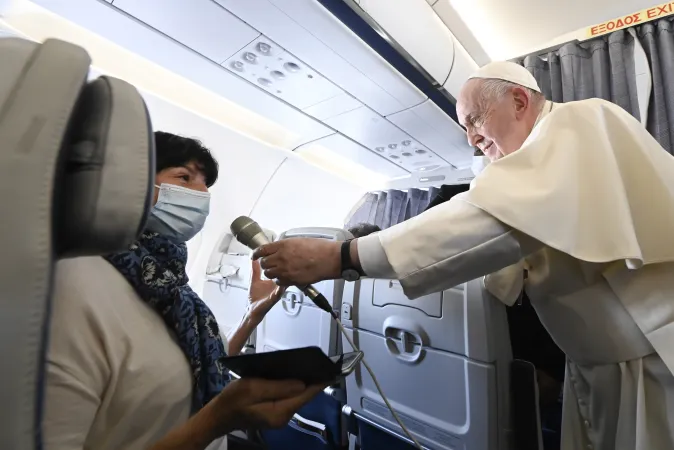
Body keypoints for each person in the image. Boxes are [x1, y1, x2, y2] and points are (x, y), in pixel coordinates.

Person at [253, 62, 674, 450]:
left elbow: (491, 221)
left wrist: (343, 257)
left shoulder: (581, 122)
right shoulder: (531, 175)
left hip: (648, 357)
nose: (471, 139)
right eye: (465, 129)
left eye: (474, 120)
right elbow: (500, 257)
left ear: (519, 101)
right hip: (595, 366)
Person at [44, 131, 326, 450]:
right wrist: (216, 420)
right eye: (184, 177)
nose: (201, 195)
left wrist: (252, 314)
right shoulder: (76, 288)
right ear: (131, 184)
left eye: (205, 186)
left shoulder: (168, 283)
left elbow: (197, 364)